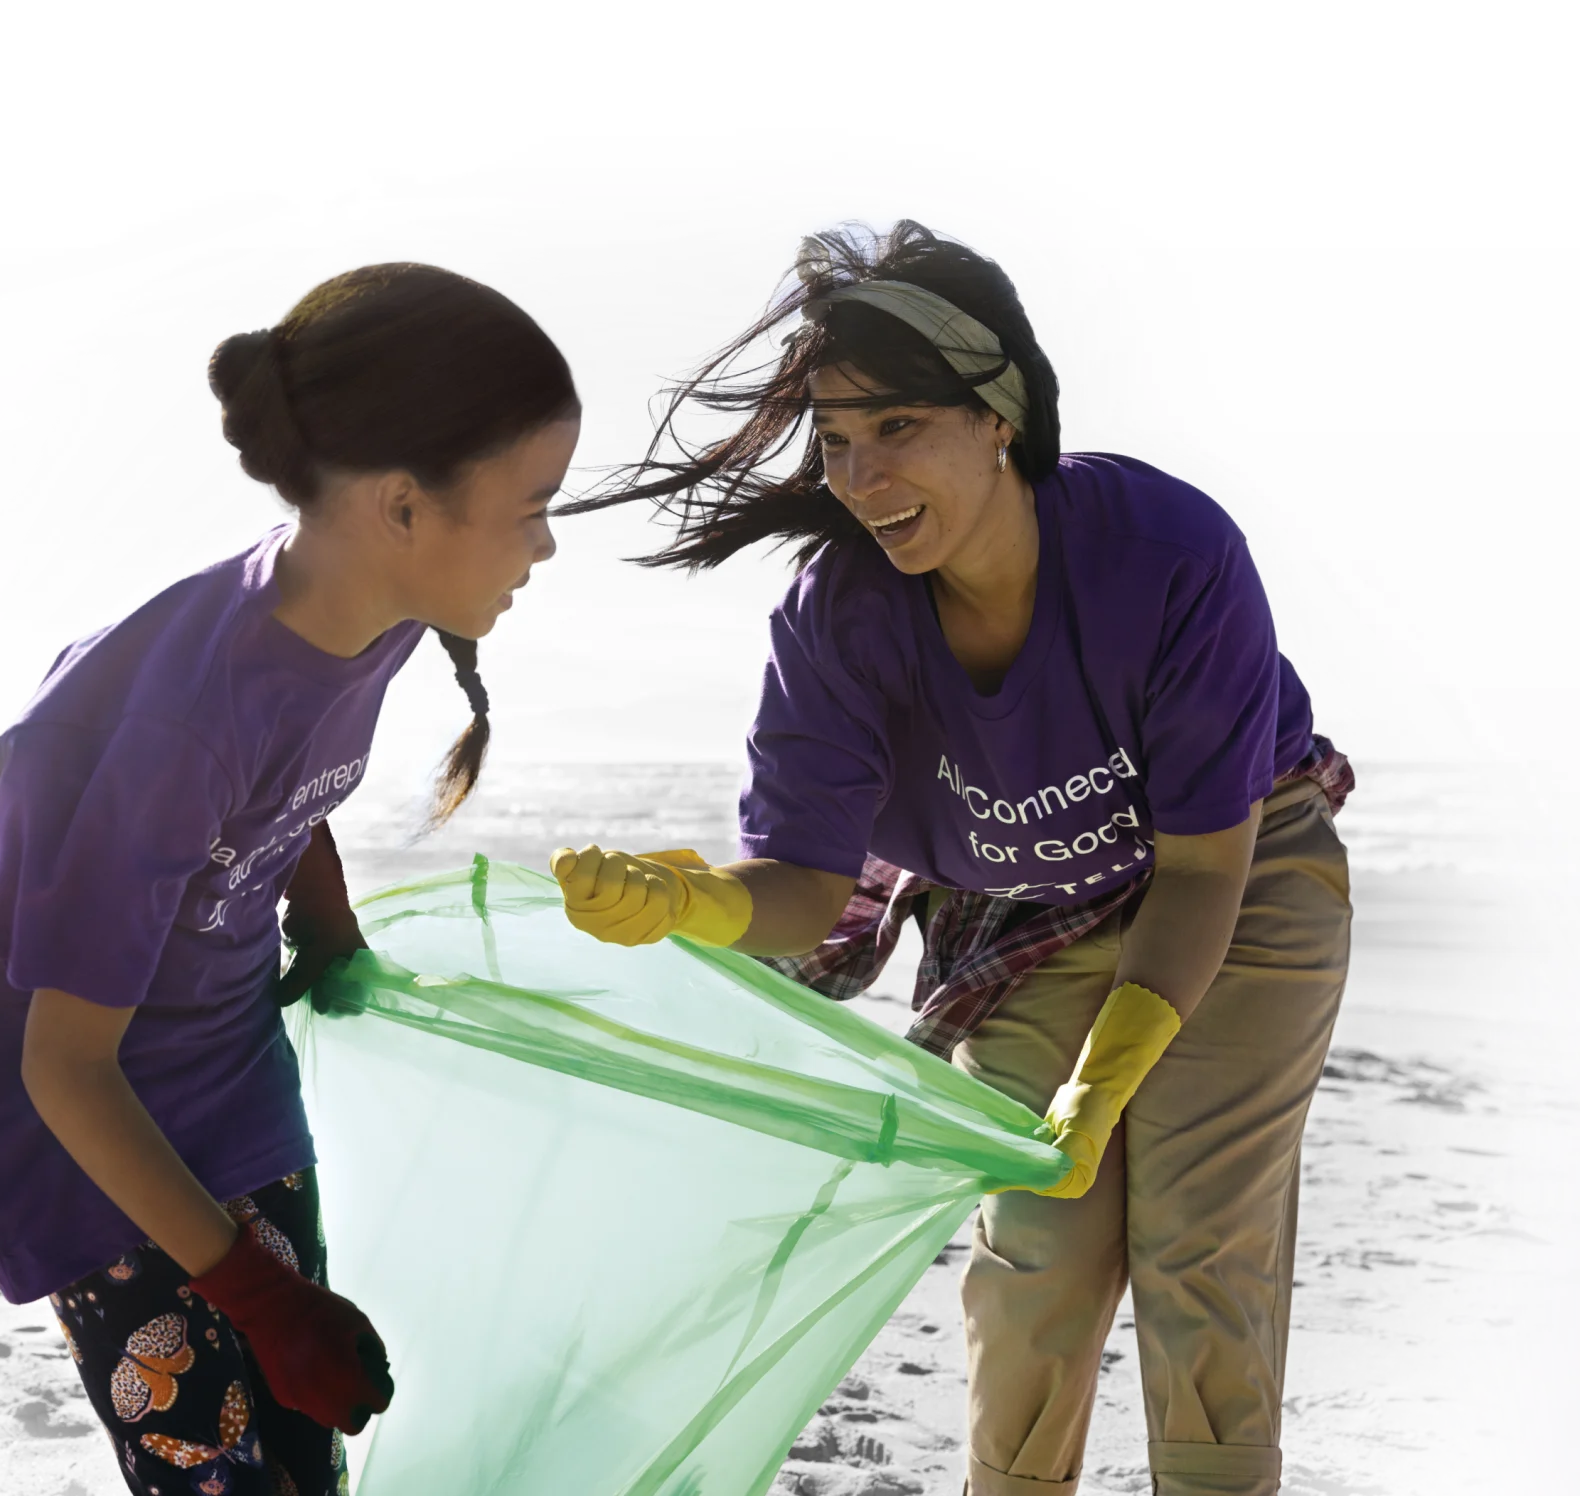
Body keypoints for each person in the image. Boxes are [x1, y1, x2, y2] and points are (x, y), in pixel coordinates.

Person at [549, 222, 1350, 1496]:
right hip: (1020, 916)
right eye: (837, 438)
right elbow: (803, 890)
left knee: (1201, 1241)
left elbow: (1201, 868)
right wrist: (684, 902)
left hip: (1241, 878)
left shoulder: (1167, 552)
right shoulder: (837, 615)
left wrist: (1112, 1071)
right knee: (1032, 1252)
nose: (861, 476)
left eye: (899, 426)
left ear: (999, 415)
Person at [0, 262, 579, 1496]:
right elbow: (62, 1065)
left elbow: (281, 791)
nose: (546, 542)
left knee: (301, 1450)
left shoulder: (370, 604)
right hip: (72, 1118)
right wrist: (262, 1296)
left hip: (222, 1062)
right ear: (401, 505)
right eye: (534, 502)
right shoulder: (175, 720)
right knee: (217, 1473)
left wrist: (320, 913)